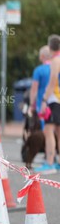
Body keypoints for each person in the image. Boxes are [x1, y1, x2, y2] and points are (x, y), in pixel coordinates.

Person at [40, 34, 60, 173]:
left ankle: (50, 163)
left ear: (50, 46)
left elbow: (53, 81)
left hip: (55, 99)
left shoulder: (55, 60)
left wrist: (44, 100)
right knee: (58, 132)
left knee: (48, 130)